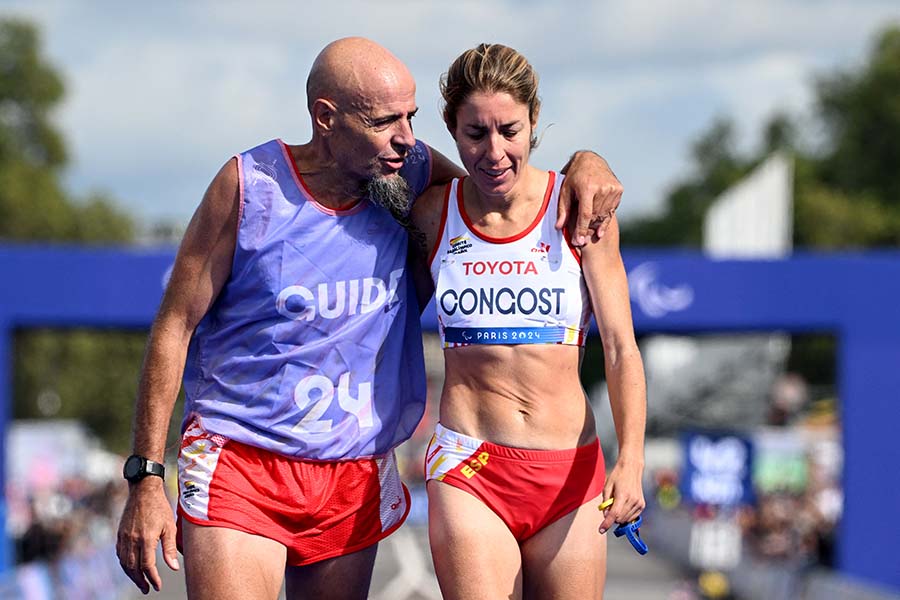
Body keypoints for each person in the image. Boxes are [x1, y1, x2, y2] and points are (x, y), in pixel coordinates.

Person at [115, 37, 624, 600]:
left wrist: (587, 162)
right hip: (242, 457)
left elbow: (503, 193)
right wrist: (145, 476)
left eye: (410, 116)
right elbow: (174, 326)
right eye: (386, 121)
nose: (407, 137)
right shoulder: (248, 186)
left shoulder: (410, 172)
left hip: (351, 469)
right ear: (326, 118)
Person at [409, 43, 647, 599]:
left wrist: (631, 459)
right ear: (452, 127)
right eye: (475, 134)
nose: (494, 151)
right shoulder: (431, 213)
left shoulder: (582, 209)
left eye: (510, 131)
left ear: (535, 120)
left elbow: (619, 348)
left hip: (571, 474)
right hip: (471, 466)